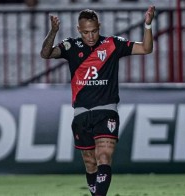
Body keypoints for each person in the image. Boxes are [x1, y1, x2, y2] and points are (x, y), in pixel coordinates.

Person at [40, 5, 155, 196]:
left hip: (106, 111)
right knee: (90, 163)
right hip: (81, 114)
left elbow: (146, 48)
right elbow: (45, 53)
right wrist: (53, 31)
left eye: (94, 31)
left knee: (104, 156)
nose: (90, 36)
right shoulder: (70, 46)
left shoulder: (113, 44)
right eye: (86, 32)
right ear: (79, 30)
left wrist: (148, 25)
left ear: (99, 26)